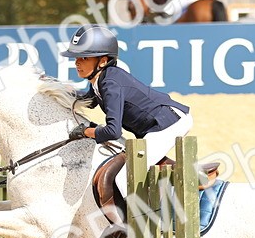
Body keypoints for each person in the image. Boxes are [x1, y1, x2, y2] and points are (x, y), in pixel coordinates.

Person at [62, 24, 193, 198]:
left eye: (84, 57)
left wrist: (85, 132)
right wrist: (56, 91)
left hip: (168, 122)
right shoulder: (100, 79)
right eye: (77, 57)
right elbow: (88, 101)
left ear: (102, 60)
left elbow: (113, 131)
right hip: (156, 124)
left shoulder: (111, 84)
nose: (77, 62)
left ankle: (144, 224)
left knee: (124, 179)